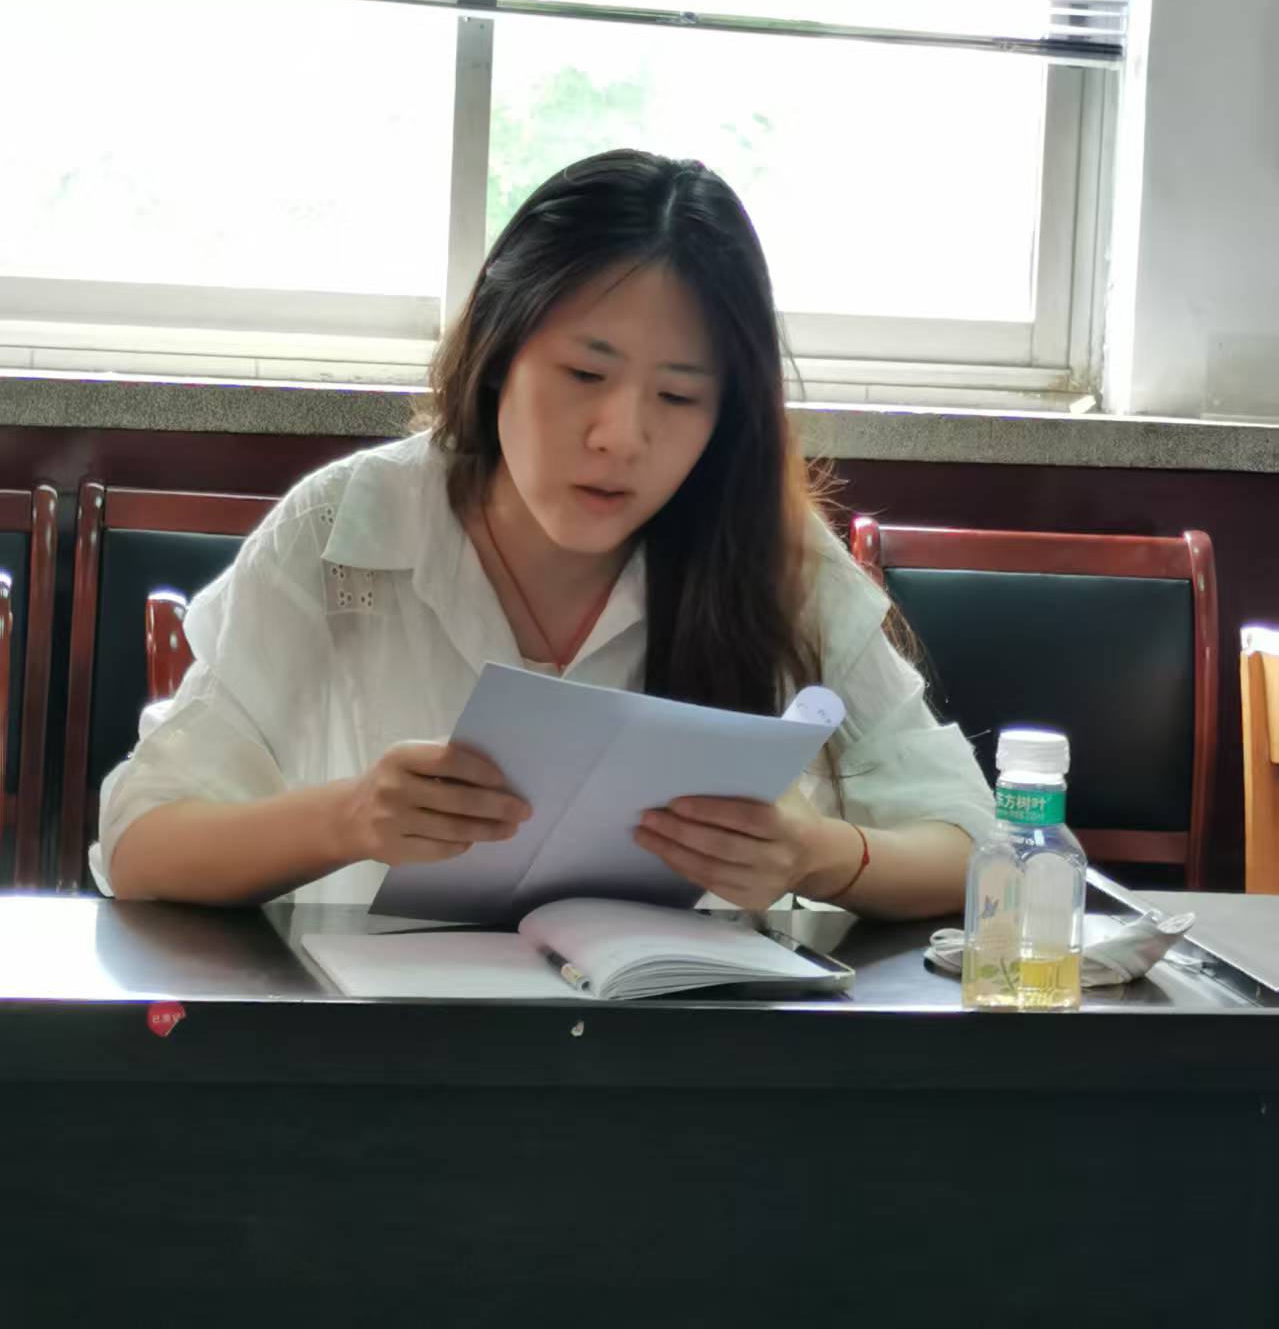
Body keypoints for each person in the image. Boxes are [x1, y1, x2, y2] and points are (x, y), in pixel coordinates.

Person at [98, 149, 994, 915]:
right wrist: (350, 818)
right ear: (499, 353)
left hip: (668, 1047)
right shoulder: (346, 530)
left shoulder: (765, 555)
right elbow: (143, 847)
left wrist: (817, 856)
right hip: (379, 1043)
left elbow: (979, 850)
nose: (620, 436)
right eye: (583, 374)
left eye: (678, 396)